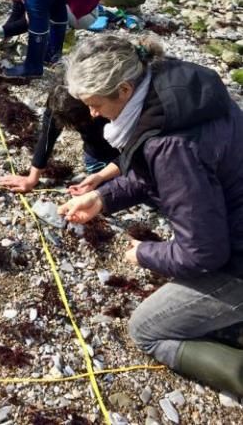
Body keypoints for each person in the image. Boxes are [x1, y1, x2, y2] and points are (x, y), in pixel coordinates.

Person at [58, 35, 243, 396]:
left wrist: (143, 254)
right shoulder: (174, 88)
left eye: (94, 104)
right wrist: (102, 197)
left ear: (124, 90)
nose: (92, 114)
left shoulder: (171, 147)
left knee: (146, 330)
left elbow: (204, 252)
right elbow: (151, 171)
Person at [0, 80, 119, 193]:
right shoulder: (58, 102)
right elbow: (48, 135)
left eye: (96, 110)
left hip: (126, 145)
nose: (94, 113)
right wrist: (32, 179)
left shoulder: (110, 97)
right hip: (98, 153)